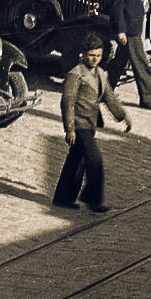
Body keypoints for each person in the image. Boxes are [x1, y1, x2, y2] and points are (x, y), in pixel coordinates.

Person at [53, 33, 131, 213]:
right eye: (91, 55)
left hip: (91, 124)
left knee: (76, 161)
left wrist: (123, 115)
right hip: (79, 125)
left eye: (98, 56)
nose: (95, 59)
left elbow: (109, 96)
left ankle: (63, 197)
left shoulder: (101, 74)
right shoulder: (75, 74)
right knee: (94, 160)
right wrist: (70, 129)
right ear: (82, 54)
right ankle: (92, 199)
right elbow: (68, 102)